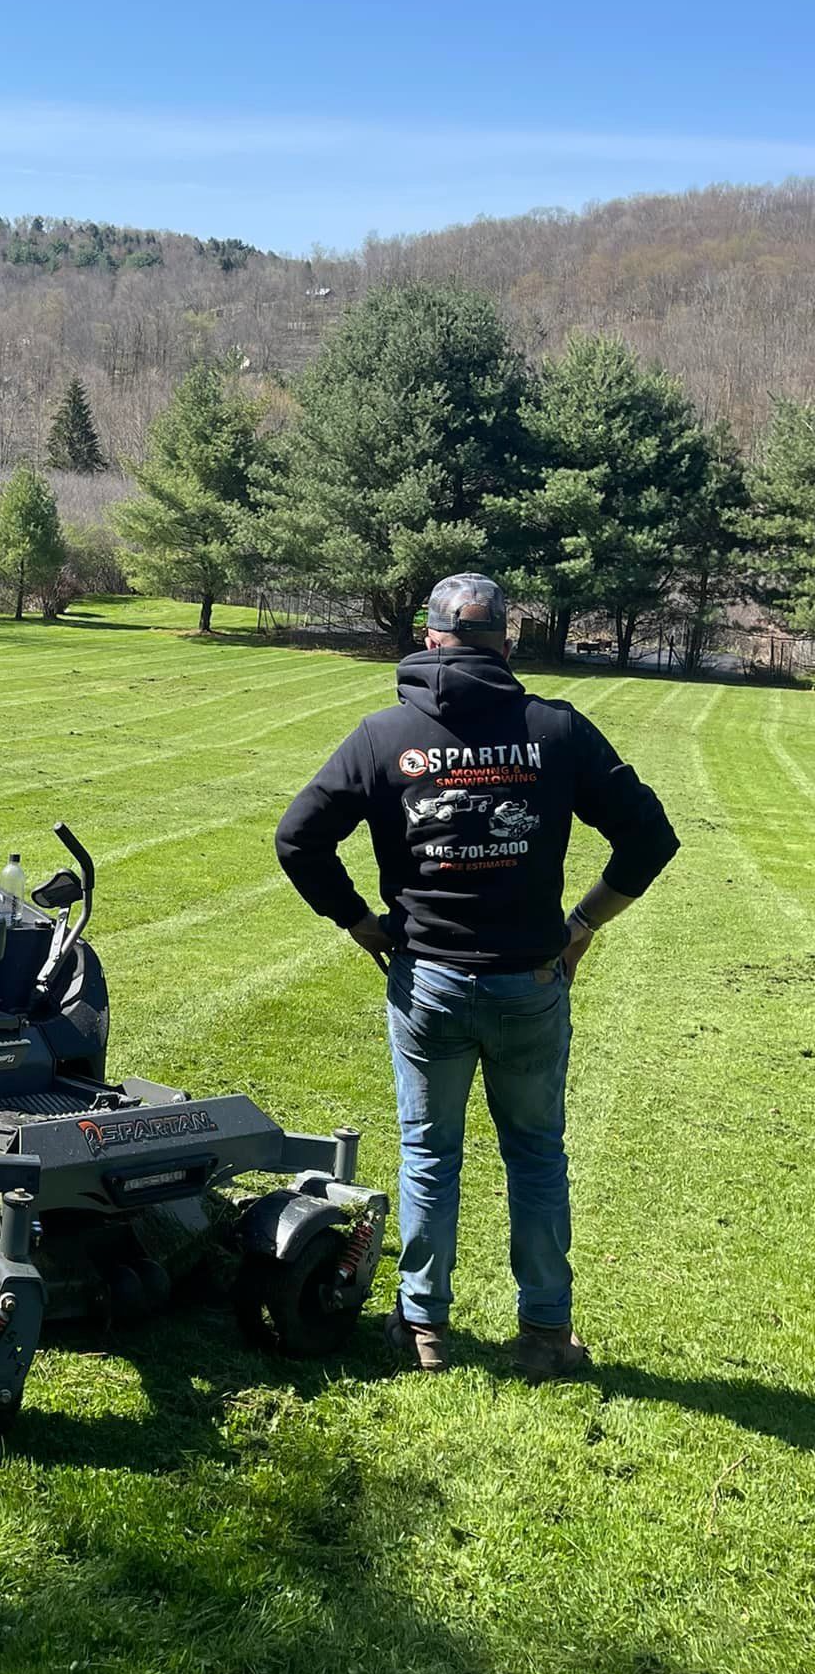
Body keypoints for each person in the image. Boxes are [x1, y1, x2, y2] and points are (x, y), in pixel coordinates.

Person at [274, 574, 678, 1379]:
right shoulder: (556, 731)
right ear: (506, 641)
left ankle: (422, 1328)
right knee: (535, 1155)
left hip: (428, 983)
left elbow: (297, 839)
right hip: (530, 982)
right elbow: (650, 838)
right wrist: (583, 925)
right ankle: (544, 1334)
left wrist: (359, 921)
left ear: (429, 640)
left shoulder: (382, 735)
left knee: (430, 1155)